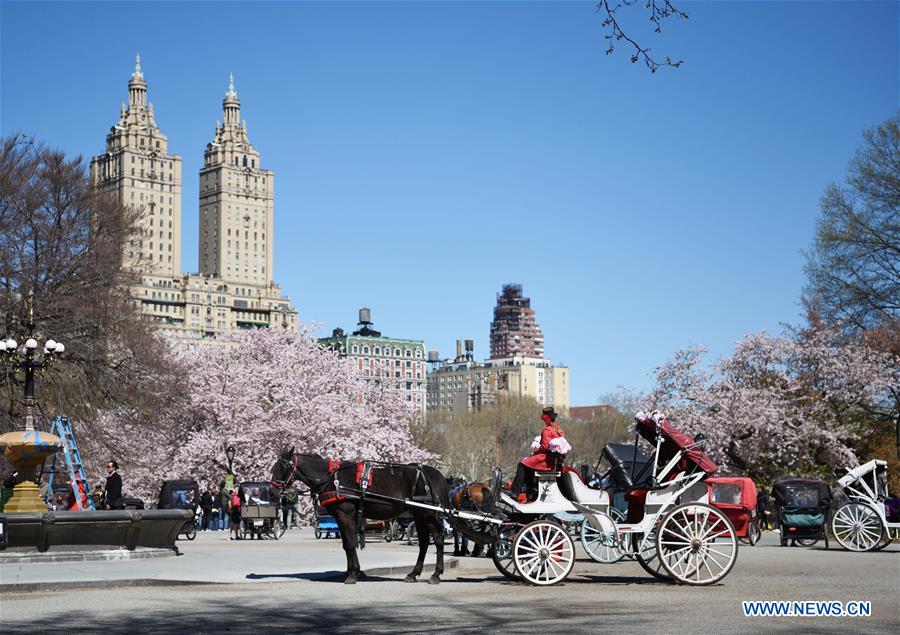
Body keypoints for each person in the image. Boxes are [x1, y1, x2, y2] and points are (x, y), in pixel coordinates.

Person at [511, 406, 566, 503]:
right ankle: (531, 492)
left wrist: (535, 452)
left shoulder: (546, 430)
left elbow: (544, 446)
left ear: (546, 419)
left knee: (521, 465)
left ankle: (515, 492)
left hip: (545, 460)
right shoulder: (559, 430)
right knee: (527, 467)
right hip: (553, 461)